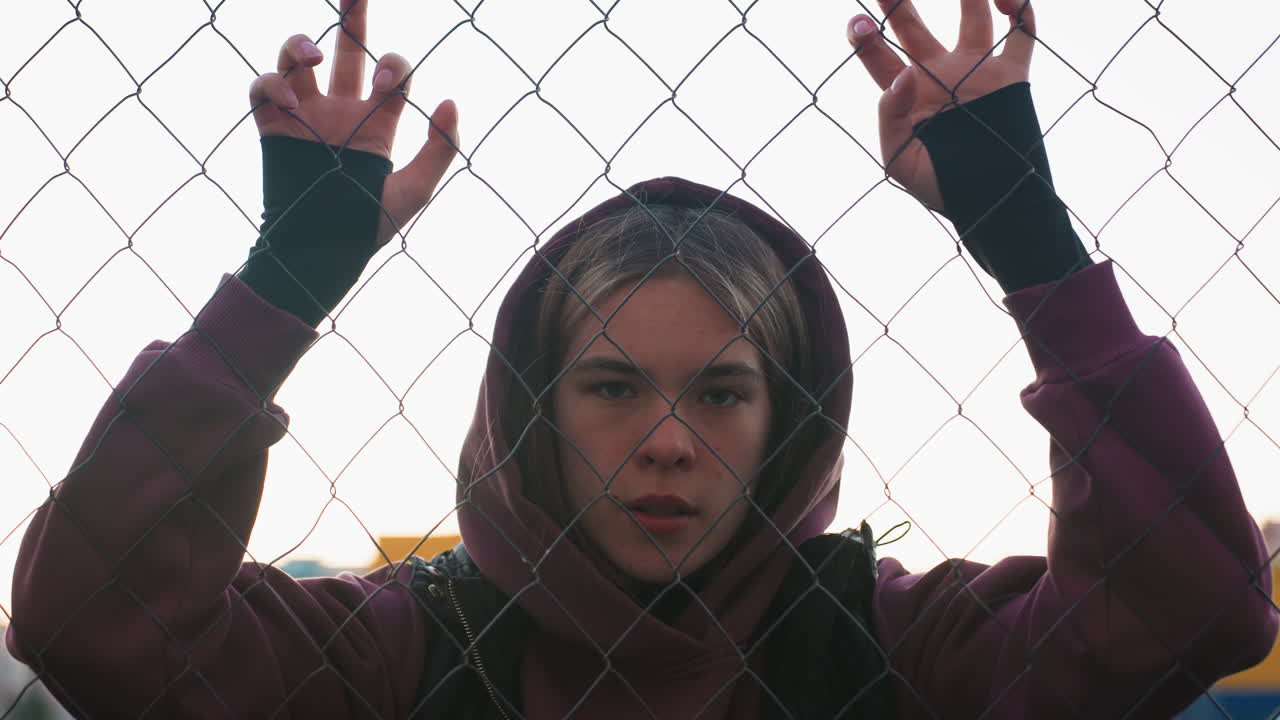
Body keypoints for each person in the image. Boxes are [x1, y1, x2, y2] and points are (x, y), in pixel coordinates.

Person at [6, 0, 1276, 717]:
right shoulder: (403, 655)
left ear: (788, 420)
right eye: (611, 386)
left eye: (722, 391)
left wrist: (1033, 249)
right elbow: (89, 632)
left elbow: (1190, 609)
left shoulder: (895, 650)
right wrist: (280, 289)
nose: (667, 439)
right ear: (529, 410)